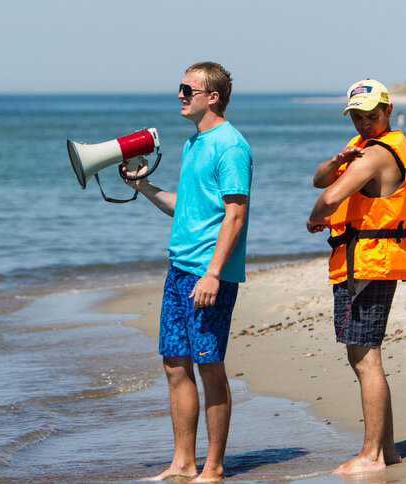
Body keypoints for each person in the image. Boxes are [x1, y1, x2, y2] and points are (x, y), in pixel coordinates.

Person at [123, 61, 252, 482]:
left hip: (207, 273)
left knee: (208, 363)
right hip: (179, 269)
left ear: (212, 96)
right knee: (175, 364)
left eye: (187, 89)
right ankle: (183, 463)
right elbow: (188, 209)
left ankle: (213, 468)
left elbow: (235, 215)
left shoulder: (231, 146)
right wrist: (143, 187)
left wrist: (213, 273)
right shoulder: (195, 143)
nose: (179, 95)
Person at [306, 79, 406, 475]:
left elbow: (330, 197)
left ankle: (371, 455)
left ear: (388, 111)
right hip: (363, 261)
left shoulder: (376, 155)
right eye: (358, 116)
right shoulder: (363, 150)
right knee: (365, 354)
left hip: (369, 264)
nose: (366, 123)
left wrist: (315, 218)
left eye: (373, 115)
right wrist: (340, 158)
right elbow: (321, 179)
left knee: (365, 357)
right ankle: (386, 449)